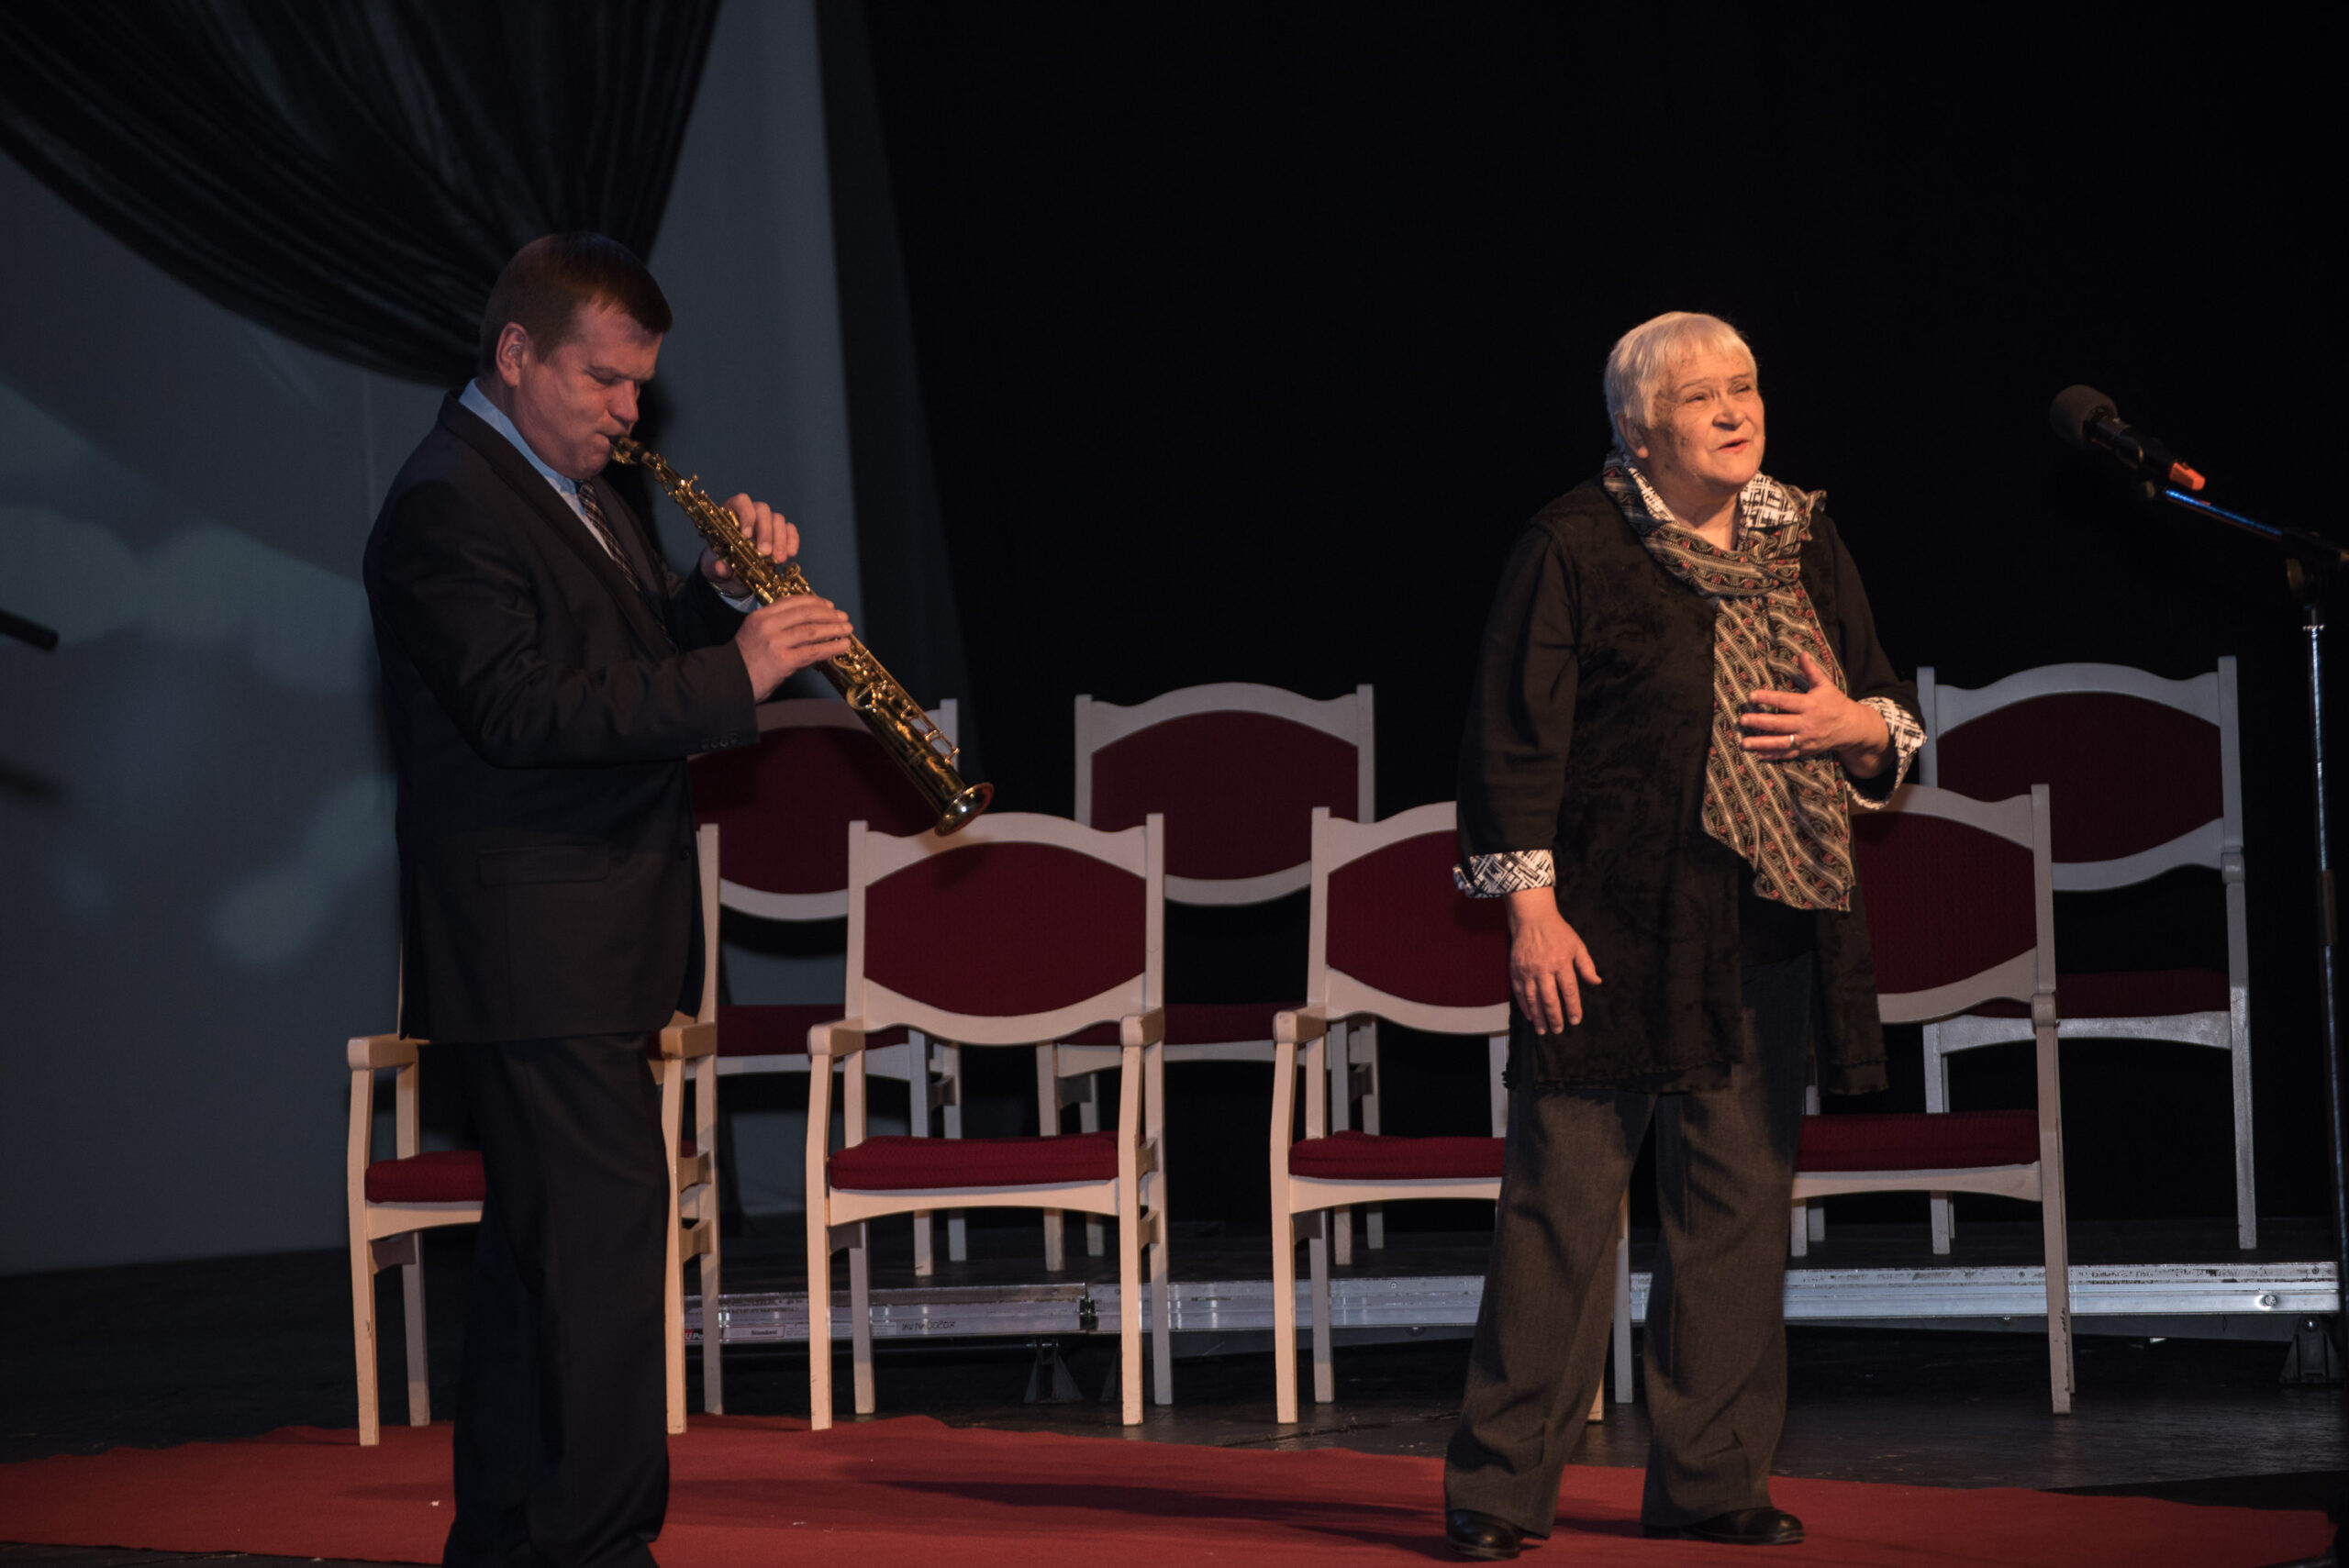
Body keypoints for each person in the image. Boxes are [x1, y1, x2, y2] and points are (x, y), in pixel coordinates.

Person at [363, 232, 854, 1568]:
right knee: (600, 1268)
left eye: (641, 383)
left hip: (586, 935)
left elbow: (615, 662)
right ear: (517, 353)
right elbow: (523, 711)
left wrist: (712, 604)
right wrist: (739, 672)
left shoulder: (577, 488)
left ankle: (510, 1543)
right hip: (535, 941)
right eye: (605, 379)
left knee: (543, 1268)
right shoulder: (446, 504)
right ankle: (600, 1548)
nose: (631, 410)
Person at [1441, 312, 1924, 1560]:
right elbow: (1511, 740)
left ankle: (1712, 1478)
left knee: (1736, 1212)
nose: (1733, 410)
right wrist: (1530, 914)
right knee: (1560, 1212)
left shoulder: (1802, 537)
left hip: (1761, 918)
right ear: (1638, 430)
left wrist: (1853, 729)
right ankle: (1499, 1489)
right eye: (1701, 396)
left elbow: (1885, 708)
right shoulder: (1574, 543)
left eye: (1745, 386)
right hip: (1602, 928)